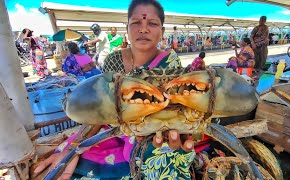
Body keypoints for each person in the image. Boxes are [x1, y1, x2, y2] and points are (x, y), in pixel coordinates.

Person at [34, 1, 194, 179]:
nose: (143, 29)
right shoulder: (113, 61)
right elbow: (102, 106)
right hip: (119, 128)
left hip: (156, 132)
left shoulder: (171, 63)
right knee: (76, 164)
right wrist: (73, 149)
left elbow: (177, 111)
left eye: (152, 23)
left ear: (162, 32)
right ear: (127, 28)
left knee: (159, 159)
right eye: (136, 23)